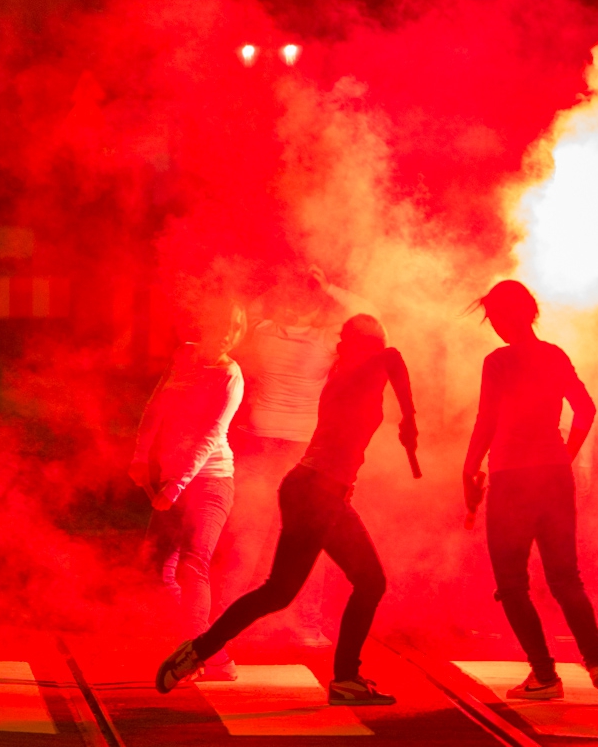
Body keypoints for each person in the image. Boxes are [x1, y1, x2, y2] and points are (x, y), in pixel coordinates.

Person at [156, 314, 417, 705]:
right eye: (378, 340)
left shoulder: (346, 373)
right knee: (367, 582)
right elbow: (395, 358)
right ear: (369, 345)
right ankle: (346, 678)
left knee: (279, 591)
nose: (384, 347)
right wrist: (410, 418)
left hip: (312, 490)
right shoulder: (360, 372)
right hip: (318, 493)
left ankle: (197, 650)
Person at [462, 280, 598, 700]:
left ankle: (544, 674)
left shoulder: (497, 361)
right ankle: (597, 662)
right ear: (532, 313)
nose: (495, 326)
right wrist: (565, 455)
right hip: (553, 475)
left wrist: (468, 466)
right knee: (566, 578)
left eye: (494, 318)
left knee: (512, 582)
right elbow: (586, 409)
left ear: (499, 318)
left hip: (512, 477)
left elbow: (487, 419)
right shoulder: (554, 355)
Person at [215, 266, 378, 650]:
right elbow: (370, 319)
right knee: (310, 536)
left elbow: (243, 313)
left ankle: (225, 620)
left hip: (260, 441)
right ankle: (307, 627)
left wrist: (276, 285)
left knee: (247, 535)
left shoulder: (263, 332)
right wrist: (329, 287)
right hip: (305, 450)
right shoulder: (327, 341)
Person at [130, 299, 247, 679]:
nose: (229, 334)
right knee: (156, 568)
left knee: (192, 565)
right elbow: (155, 408)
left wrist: (177, 486)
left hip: (211, 482)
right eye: (223, 324)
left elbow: (211, 435)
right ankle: (202, 650)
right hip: (172, 480)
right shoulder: (184, 357)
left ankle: (201, 656)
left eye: (236, 327)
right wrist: (139, 456)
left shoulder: (231, 375)